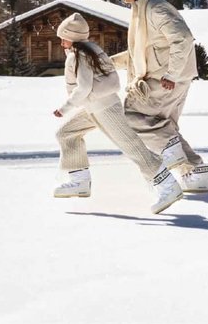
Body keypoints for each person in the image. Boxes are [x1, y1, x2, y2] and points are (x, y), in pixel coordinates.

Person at [52, 13, 183, 214]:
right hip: (93, 108)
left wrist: (64, 108)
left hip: (105, 108)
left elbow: (84, 87)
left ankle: (168, 186)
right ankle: (79, 180)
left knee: (133, 147)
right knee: (66, 133)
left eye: (64, 37)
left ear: (74, 37)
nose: (61, 42)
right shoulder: (91, 50)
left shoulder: (79, 56)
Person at [110, 0, 208, 193]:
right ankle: (195, 173)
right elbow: (141, 52)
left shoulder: (155, 9)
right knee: (164, 127)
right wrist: (110, 62)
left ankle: (177, 157)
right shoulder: (143, 10)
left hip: (165, 80)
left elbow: (183, 38)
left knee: (130, 116)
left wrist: (171, 74)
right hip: (168, 78)